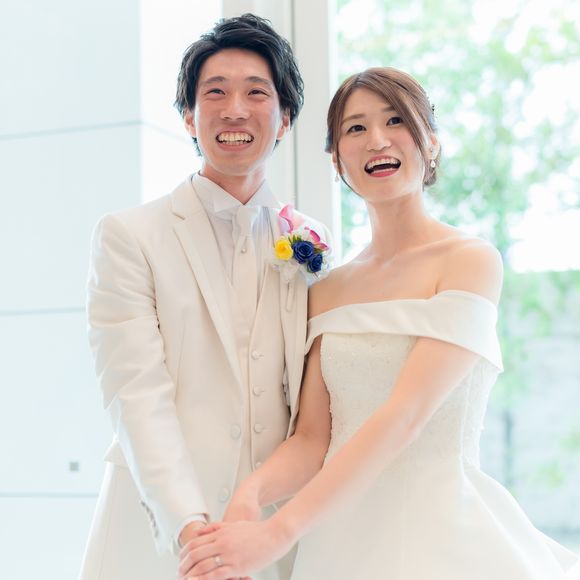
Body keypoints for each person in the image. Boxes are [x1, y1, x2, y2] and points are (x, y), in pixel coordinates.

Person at [178, 67, 580, 580]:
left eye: (396, 121)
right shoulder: (327, 287)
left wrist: (276, 534)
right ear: (336, 160)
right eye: (355, 128)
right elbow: (313, 439)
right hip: (338, 545)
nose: (377, 140)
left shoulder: (469, 261)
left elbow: (404, 416)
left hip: (441, 538)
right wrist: (250, 496)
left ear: (430, 142)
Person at [79, 13, 329, 580]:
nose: (235, 109)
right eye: (215, 92)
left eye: (256, 93)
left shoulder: (311, 243)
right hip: (155, 539)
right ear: (189, 117)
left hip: (268, 541)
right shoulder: (129, 235)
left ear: (285, 118)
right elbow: (135, 393)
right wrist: (192, 531)